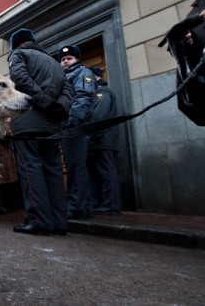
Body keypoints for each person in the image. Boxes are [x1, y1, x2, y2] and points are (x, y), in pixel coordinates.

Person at [8, 28, 73, 236]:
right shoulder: (55, 62)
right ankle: (59, 221)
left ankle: (39, 220)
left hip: (28, 122)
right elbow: (68, 90)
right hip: (52, 123)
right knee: (53, 170)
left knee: (30, 170)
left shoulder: (18, 54)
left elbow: (20, 78)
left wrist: (43, 101)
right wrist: (59, 107)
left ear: (17, 44)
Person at [58, 44, 97, 220]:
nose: (65, 62)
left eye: (69, 58)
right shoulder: (63, 77)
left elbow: (83, 98)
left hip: (75, 127)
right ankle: (84, 206)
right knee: (76, 166)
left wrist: (72, 123)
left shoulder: (83, 73)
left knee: (76, 167)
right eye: (63, 59)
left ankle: (76, 206)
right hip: (67, 126)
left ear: (77, 59)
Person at [87, 67, 122, 215]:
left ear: (98, 77)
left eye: (90, 77)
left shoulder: (102, 92)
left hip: (103, 140)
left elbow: (99, 116)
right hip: (96, 140)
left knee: (106, 171)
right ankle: (98, 202)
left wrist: (91, 136)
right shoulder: (93, 93)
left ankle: (111, 205)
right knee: (95, 173)